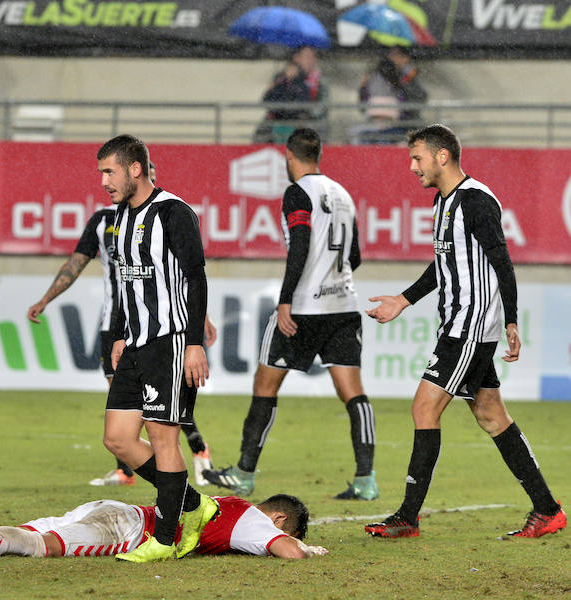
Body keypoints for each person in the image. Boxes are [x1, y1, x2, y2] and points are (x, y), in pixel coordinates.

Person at [364, 124, 565, 539]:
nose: (412, 166)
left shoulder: (475, 200)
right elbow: (443, 265)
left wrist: (510, 319)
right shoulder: (444, 203)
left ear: (442, 156)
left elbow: (502, 260)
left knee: (424, 407)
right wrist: (403, 300)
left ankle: (407, 517)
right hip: (460, 322)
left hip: (471, 325)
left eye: (417, 157)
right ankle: (547, 510)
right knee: (492, 415)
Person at [203, 128, 378, 502]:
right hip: (344, 307)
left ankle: (244, 474)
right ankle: (366, 480)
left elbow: (299, 244)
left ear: (289, 156)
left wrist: (286, 299)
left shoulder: (297, 193)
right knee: (353, 393)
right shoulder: (344, 195)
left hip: (303, 309)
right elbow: (356, 256)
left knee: (265, 385)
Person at [26, 160, 216, 489]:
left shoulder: (165, 214)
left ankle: (195, 453)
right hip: (117, 326)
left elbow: (185, 273)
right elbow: (76, 262)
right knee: (123, 403)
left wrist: (202, 320)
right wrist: (46, 298)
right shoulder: (105, 222)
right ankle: (128, 471)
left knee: (164, 406)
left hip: (162, 327)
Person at [95, 134, 214, 563]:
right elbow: (130, 284)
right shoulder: (118, 219)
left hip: (172, 341)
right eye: (101, 173)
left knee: (164, 439)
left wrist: (196, 342)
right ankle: (195, 505)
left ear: (135, 169)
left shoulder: (174, 212)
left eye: (110, 171)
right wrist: (123, 334)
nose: (104, 181)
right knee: (118, 439)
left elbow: (196, 278)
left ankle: (164, 540)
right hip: (137, 344)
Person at [0, 493, 328, 560]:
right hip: (124, 528)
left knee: (10, 527)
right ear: (279, 517)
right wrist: (308, 551)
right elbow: (286, 551)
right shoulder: (258, 521)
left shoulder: (229, 505)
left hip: (113, 509)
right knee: (35, 546)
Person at [253, 46, 328, 144]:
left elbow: (319, 107)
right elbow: (267, 100)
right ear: (296, 58)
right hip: (278, 120)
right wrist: (281, 83)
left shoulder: (319, 82)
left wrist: (297, 113)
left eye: (313, 57)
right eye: (307, 57)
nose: (311, 61)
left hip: (305, 121)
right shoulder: (281, 78)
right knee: (264, 131)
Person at [353, 47, 428, 145]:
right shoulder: (377, 76)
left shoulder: (409, 76)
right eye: (391, 55)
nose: (393, 58)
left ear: (406, 58)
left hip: (406, 124)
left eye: (397, 55)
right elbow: (363, 105)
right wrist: (363, 88)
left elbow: (420, 98)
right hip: (379, 124)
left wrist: (404, 85)